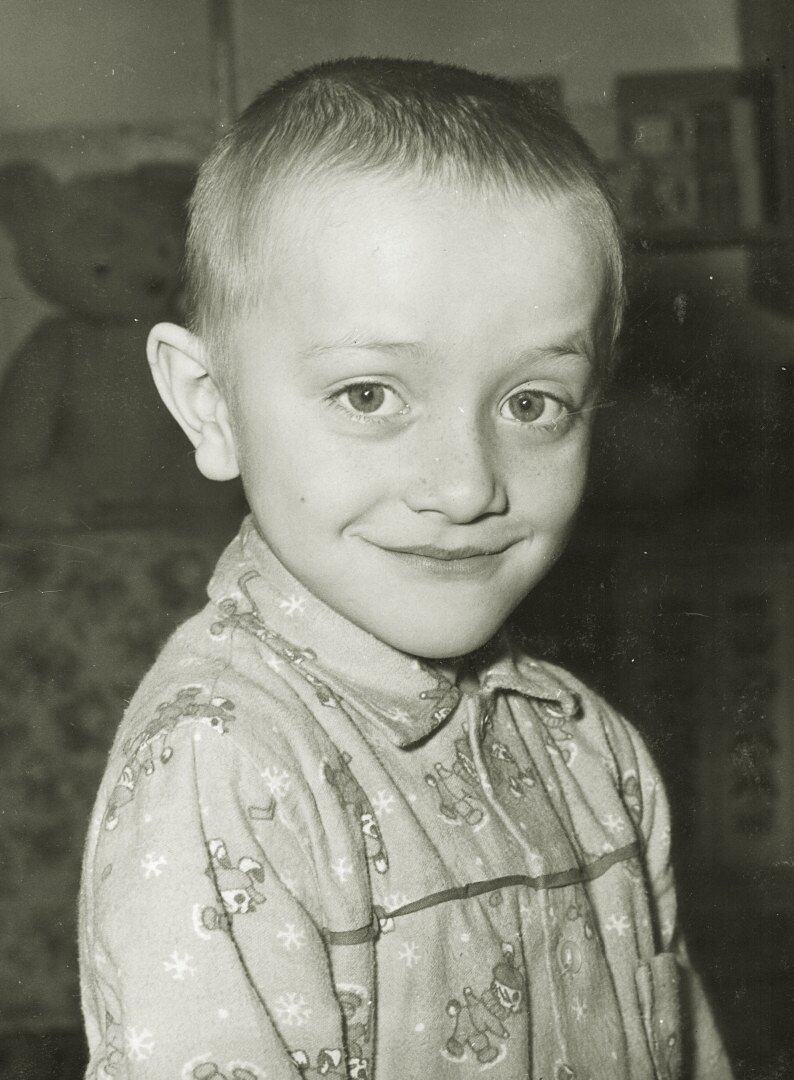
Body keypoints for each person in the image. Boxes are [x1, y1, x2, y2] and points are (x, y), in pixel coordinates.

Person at [78, 57, 733, 1079]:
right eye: (369, 396)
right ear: (210, 403)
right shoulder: (225, 768)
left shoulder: (591, 749)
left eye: (531, 404)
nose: (466, 486)